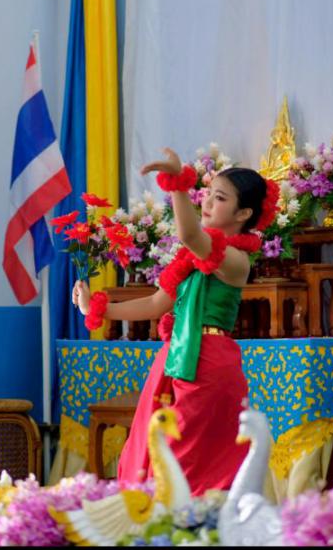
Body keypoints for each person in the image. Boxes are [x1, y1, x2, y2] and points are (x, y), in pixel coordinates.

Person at [71, 148, 279, 495]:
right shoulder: (194, 258)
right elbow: (157, 303)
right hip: (174, 360)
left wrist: (178, 185)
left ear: (244, 213)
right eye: (207, 194)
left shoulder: (236, 260)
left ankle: (191, 519)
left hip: (207, 366)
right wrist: (96, 308)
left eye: (220, 198)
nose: (207, 202)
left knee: (185, 459)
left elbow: (191, 236)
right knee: (153, 450)